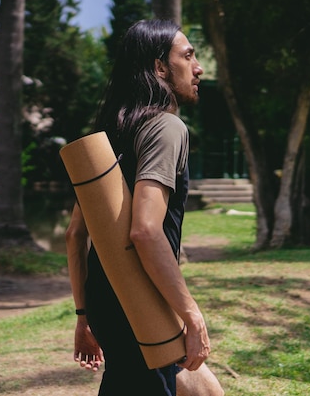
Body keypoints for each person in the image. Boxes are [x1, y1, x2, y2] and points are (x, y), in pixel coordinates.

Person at [65, 19, 223, 396]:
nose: (198, 67)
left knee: (206, 392)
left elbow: (75, 236)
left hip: (108, 303)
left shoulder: (113, 133)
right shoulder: (167, 128)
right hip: (141, 304)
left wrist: (84, 317)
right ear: (160, 68)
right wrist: (192, 314)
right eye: (188, 56)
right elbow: (146, 230)